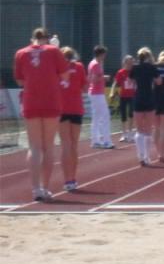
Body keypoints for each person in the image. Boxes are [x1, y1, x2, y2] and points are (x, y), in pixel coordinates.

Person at [14, 28, 69, 202]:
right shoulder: (54, 51)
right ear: (47, 38)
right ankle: (45, 187)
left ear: (32, 38)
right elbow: (65, 75)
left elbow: (20, 80)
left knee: (34, 146)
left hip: (31, 101)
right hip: (51, 101)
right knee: (48, 146)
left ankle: (36, 188)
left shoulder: (21, 53)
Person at [58, 46, 87, 192]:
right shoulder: (79, 67)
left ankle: (67, 180)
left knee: (65, 144)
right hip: (76, 108)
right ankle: (73, 178)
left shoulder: (56, 68)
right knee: (74, 144)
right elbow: (85, 88)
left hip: (61, 109)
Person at [129, 47, 161, 166]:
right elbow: (159, 81)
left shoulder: (135, 67)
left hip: (138, 98)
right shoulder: (152, 67)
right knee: (148, 130)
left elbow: (130, 82)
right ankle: (147, 157)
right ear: (148, 56)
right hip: (149, 98)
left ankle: (140, 156)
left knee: (139, 129)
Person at [87, 45, 114, 149]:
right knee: (105, 116)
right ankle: (106, 141)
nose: (105, 56)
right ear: (101, 54)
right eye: (104, 54)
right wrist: (104, 77)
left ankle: (95, 141)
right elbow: (94, 79)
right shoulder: (96, 64)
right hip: (97, 93)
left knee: (96, 117)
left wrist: (101, 77)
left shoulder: (93, 63)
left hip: (94, 93)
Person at [110, 55, 136, 143]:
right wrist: (112, 92)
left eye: (132, 63)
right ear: (124, 63)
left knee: (131, 114)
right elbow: (115, 83)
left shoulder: (134, 72)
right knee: (123, 115)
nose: (130, 64)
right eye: (129, 63)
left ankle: (130, 133)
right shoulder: (120, 72)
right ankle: (124, 134)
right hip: (123, 96)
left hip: (132, 96)